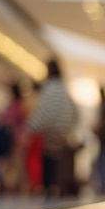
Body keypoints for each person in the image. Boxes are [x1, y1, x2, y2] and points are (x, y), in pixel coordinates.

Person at [26, 59, 79, 196]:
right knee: (57, 158)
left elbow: (44, 112)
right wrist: (69, 128)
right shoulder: (65, 89)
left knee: (47, 157)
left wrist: (30, 129)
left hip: (50, 130)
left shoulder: (49, 88)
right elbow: (75, 112)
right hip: (63, 131)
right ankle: (55, 186)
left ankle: (47, 186)